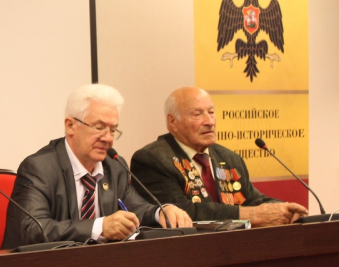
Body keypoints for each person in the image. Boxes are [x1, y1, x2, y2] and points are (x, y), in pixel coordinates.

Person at [1, 84, 192, 249]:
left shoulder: (114, 166)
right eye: (99, 128)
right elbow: (33, 230)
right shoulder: (39, 168)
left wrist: (161, 212)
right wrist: (99, 228)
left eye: (113, 130)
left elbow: (136, 208)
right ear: (70, 126)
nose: (108, 138)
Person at [130, 86, 307, 226]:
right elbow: (183, 212)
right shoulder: (152, 159)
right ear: (173, 122)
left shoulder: (228, 157)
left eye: (211, 112)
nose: (209, 122)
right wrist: (251, 215)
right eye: (197, 114)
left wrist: (284, 209)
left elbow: (251, 199)